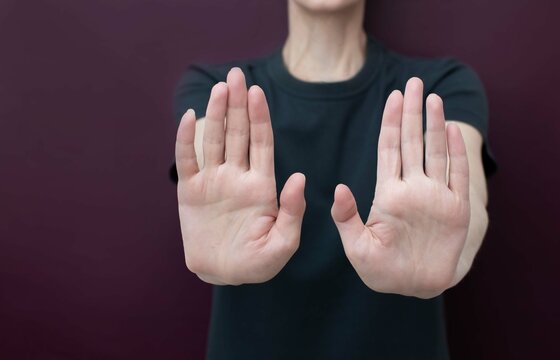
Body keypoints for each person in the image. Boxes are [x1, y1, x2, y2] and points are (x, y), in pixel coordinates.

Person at [171, 0, 496, 358]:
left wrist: (455, 256)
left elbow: (469, 200)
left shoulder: (439, 87)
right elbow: (203, 169)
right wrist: (215, 259)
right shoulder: (218, 91)